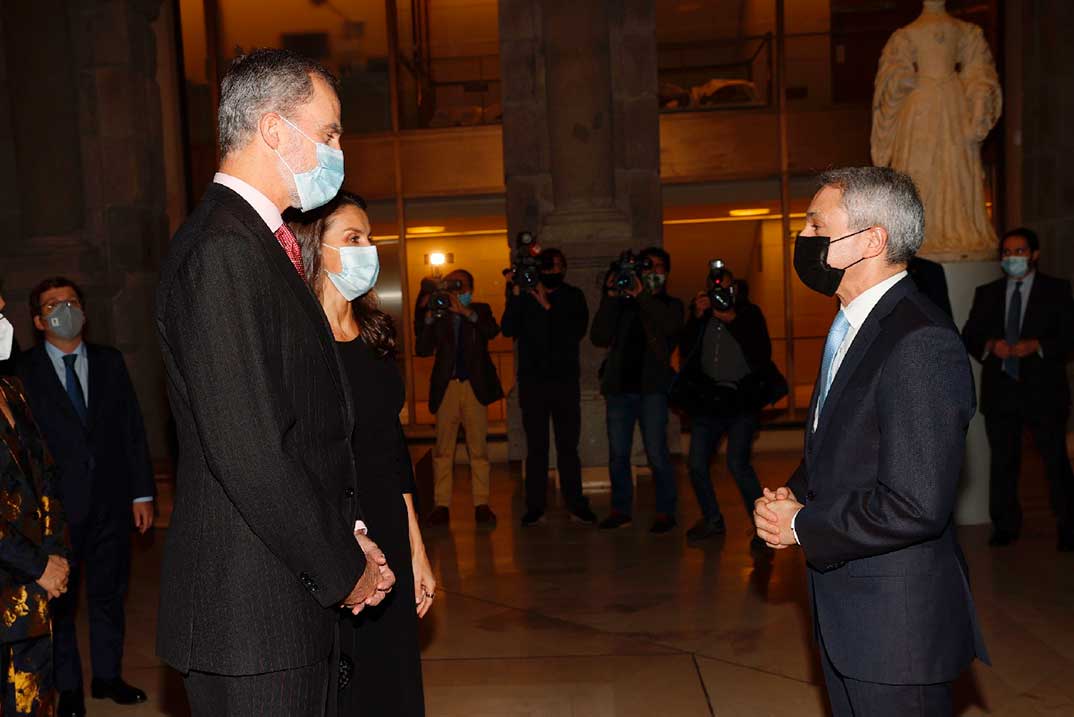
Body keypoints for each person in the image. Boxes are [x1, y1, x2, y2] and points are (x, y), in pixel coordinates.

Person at [155, 49, 394, 716]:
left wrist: (346, 537)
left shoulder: (262, 245)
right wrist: (344, 571)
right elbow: (252, 449)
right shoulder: (224, 251)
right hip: (252, 616)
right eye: (329, 132)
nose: (338, 148)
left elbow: (300, 427)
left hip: (284, 597)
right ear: (272, 129)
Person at [754, 166, 989, 716]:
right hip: (852, 615)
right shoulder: (857, 324)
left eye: (816, 224)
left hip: (895, 630)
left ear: (872, 240)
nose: (803, 237)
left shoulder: (919, 341)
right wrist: (791, 497)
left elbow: (914, 505)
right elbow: (839, 446)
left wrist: (800, 526)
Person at [290, 191, 432, 716]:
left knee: (394, 680)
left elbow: (391, 448)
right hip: (335, 533)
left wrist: (416, 547)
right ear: (314, 250)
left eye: (370, 238)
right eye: (353, 239)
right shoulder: (298, 342)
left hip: (389, 527)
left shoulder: (374, 332)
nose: (367, 249)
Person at [16, 278, 154, 716]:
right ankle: (69, 687)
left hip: (111, 503)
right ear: (38, 321)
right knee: (59, 601)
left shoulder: (111, 362)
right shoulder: (24, 371)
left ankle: (109, 677)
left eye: (71, 301)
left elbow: (132, 429)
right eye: (52, 305)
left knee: (109, 593)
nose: (64, 309)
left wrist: (142, 494)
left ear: (85, 312)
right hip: (54, 510)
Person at [962, 228, 1074, 551]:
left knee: (1055, 462)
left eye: (1020, 251)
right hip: (1001, 393)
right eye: (1007, 253)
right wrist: (990, 346)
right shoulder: (987, 293)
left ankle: (1068, 525)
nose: (1013, 258)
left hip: (1045, 393)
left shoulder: (1056, 290)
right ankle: (1005, 526)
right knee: (1003, 463)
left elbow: (1069, 335)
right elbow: (969, 334)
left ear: (1034, 254)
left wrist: (1037, 346)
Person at [0, 290, 71, 716]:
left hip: (30, 599)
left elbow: (45, 476)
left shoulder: (13, 388)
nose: (3, 307)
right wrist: (38, 565)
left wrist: (56, 555)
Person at [590, 247, 684, 533]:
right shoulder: (623, 304)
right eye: (648, 266)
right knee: (618, 454)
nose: (653, 271)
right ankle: (621, 509)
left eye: (658, 267)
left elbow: (669, 328)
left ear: (665, 272)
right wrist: (610, 298)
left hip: (652, 389)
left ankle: (666, 512)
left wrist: (642, 295)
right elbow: (599, 336)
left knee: (657, 453)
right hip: (619, 389)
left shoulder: (671, 304)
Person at [501, 248, 596, 527]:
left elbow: (575, 333)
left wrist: (547, 307)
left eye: (558, 266)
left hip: (565, 382)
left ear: (564, 269)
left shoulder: (573, 296)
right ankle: (535, 507)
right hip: (533, 384)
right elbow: (508, 329)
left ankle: (576, 503)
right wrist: (515, 294)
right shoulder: (524, 298)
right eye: (548, 266)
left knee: (568, 447)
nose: (553, 271)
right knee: (536, 448)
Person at [678, 268, 772, 548]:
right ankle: (712, 519)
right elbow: (686, 351)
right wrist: (696, 318)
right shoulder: (703, 315)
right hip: (709, 401)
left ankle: (763, 529)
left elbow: (762, 353)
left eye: (725, 289)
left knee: (737, 464)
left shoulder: (749, 314)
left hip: (741, 400)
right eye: (714, 289)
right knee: (696, 464)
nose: (719, 294)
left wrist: (732, 320)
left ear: (736, 290)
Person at [415, 269, 503, 528]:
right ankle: (441, 505)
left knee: (479, 449)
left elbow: (491, 331)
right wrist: (429, 318)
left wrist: (465, 312)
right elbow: (422, 349)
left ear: (470, 289)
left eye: (459, 285)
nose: (455, 290)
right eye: (451, 285)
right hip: (447, 388)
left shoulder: (480, 309)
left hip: (474, 387)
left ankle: (482, 504)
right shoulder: (440, 313)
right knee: (443, 450)